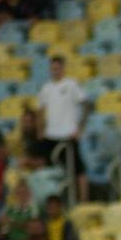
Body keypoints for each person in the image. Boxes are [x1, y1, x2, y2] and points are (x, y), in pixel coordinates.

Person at [37, 56, 88, 203]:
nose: (55, 71)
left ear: (63, 68)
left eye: (58, 68)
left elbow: (85, 104)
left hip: (68, 134)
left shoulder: (71, 84)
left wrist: (80, 127)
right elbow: (41, 110)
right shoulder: (46, 88)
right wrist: (41, 129)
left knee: (78, 169)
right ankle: (53, 202)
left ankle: (83, 200)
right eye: (53, 68)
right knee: (49, 169)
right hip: (51, 135)